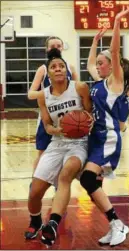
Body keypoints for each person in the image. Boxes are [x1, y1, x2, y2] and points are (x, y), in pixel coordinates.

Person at [79, 5, 129, 246]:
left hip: (109, 139)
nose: (98, 66)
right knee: (93, 187)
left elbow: (113, 51)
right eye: (99, 63)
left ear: (112, 66)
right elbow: (90, 62)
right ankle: (115, 225)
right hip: (96, 138)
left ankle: (117, 224)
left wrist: (117, 23)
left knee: (88, 181)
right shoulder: (99, 83)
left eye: (103, 63)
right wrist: (94, 41)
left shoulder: (115, 82)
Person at [24, 48, 92, 241]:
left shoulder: (79, 88)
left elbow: (90, 114)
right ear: (48, 73)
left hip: (79, 143)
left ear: (67, 71)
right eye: (54, 67)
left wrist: (81, 123)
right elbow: (46, 124)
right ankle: (36, 221)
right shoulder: (43, 96)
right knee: (35, 192)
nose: (58, 69)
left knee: (66, 175)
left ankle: (52, 223)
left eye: (61, 66)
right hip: (57, 143)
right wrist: (55, 130)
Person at [28, 36, 78, 172]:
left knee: (65, 154)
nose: (55, 48)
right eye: (52, 46)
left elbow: (78, 89)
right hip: (47, 117)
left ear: (62, 48)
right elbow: (31, 93)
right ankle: (35, 183)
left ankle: (59, 186)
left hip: (67, 117)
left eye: (58, 46)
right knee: (42, 153)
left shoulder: (70, 67)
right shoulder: (43, 69)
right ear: (47, 49)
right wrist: (49, 93)